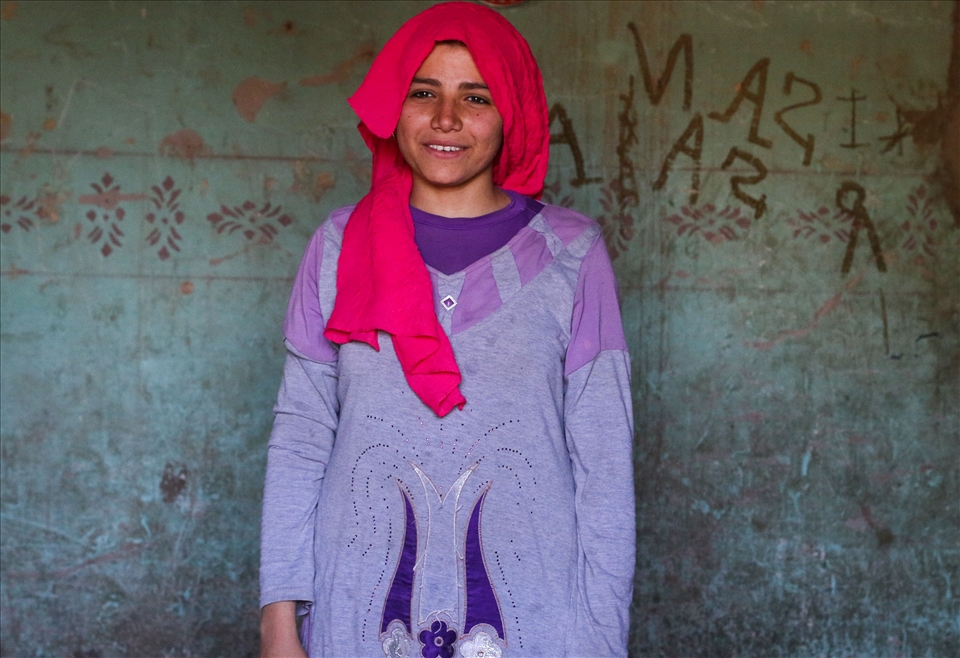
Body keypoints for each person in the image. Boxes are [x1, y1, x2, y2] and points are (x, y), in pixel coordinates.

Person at [259, 3, 635, 657]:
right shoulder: (338, 246)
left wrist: (603, 635)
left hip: (538, 618)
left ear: (511, 110)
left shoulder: (572, 253)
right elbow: (300, 443)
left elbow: (603, 462)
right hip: (355, 612)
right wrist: (278, 622)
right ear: (394, 107)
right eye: (424, 92)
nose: (446, 120)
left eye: (476, 97)